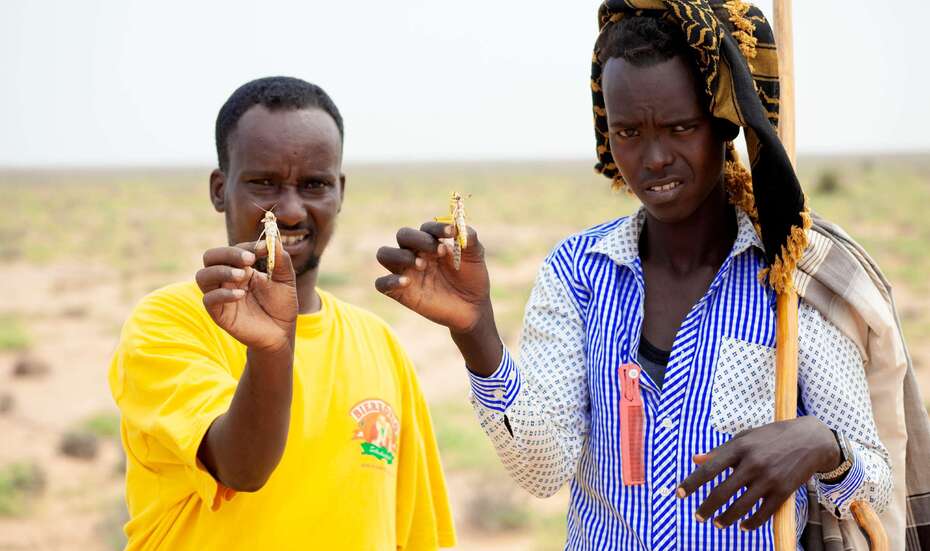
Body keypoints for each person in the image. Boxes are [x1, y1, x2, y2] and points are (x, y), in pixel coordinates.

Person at [374, 3, 892, 549]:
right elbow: (542, 471)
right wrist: (476, 333)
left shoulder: (790, 277)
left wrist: (822, 446)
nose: (653, 158)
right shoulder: (579, 273)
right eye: (628, 132)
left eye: (680, 127)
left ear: (723, 125)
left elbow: (874, 485)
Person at [109, 76, 455, 550]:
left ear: (340, 192)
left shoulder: (379, 344)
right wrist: (273, 346)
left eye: (315, 184)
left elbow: (416, 536)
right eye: (263, 183)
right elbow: (242, 466)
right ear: (219, 189)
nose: (289, 211)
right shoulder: (169, 322)